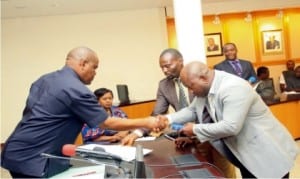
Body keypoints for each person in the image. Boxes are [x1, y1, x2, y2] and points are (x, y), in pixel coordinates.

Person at [0, 46, 164, 178]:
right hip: (36, 159)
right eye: (95, 67)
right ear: (83, 63)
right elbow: (106, 122)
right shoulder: (76, 89)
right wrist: (146, 121)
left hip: (15, 150)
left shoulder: (44, 79)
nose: (95, 72)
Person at [158, 61, 298, 178]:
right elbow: (192, 110)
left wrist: (194, 129)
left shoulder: (233, 87)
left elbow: (231, 126)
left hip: (266, 153)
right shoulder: (205, 89)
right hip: (246, 155)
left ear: (203, 78)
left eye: (191, 86)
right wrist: (166, 119)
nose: (191, 92)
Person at [123, 48, 236, 178]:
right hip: (188, 138)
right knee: (200, 174)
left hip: (215, 137)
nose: (165, 70)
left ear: (180, 61)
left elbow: (211, 112)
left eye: (167, 66)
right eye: (162, 68)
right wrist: (138, 132)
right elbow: (157, 113)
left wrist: (196, 133)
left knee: (223, 174)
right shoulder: (164, 85)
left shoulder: (198, 78)